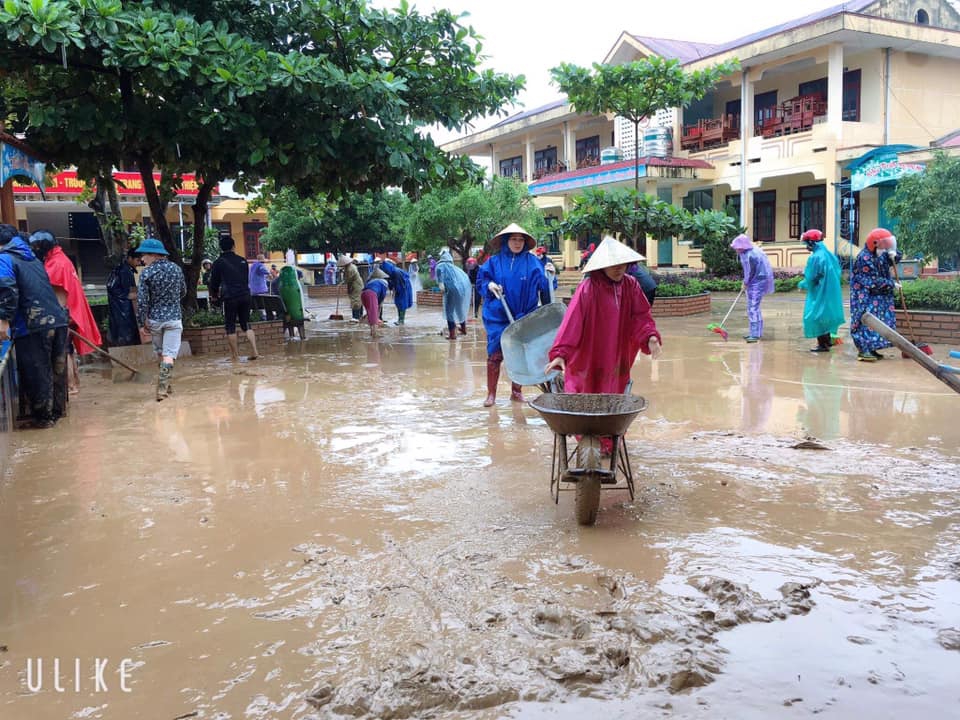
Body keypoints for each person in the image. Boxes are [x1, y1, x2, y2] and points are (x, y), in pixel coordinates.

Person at [545, 236, 661, 394]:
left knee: (612, 393)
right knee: (585, 392)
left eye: (621, 263)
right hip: (590, 351)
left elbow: (641, 316)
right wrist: (561, 353)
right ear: (602, 266)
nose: (618, 268)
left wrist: (650, 336)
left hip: (617, 352)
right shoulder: (588, 288)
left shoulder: (631, 285)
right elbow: (572, 323)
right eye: (612, 264)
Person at [0, 224, 69, 428]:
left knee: (36, 372)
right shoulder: (32, 258)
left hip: (33, 324)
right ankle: (57, 414)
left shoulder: (5, 258)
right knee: (56, 371)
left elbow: (6, 289)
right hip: (57, 320)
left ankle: (43, 421)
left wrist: (3, 320)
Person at [477, 223, 552, 406]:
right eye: (513, 239)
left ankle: (516, 392)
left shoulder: (533, 262)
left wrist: (551, 276)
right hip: (498, 315)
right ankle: (491, 394)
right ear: (506, 241)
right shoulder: (494, 262)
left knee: (520, 352)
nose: (517, 243)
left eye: (520, 240)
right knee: (495, 353)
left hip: (525, 315)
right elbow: (482, 279)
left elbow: (546, 290)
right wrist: (490, 285)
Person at [30, 231, 102, 393]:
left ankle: (70, 385)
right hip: (70, 312)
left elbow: (52, 293)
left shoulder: (56, 264)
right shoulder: (61, 260)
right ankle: (74, 381)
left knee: (64, 351)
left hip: (64, 314)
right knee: (68, 350)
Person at [137, 238, 187, 400]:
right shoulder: (176, 269)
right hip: (174, 318)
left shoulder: (146, 273)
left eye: (144, 255)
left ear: (153, 255)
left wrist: (141, 321)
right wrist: (172, 302)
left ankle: (165, 385)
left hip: (155, 320)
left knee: (160, 353)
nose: (142, 259)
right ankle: (163, 387)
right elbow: (183, 292)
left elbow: (142, 301)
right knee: (169, 354)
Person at [850, 227, 901, 362]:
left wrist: (894, 254)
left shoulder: (881, 253)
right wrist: (891, 284)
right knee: (867, 320)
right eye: (885, 244)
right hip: (866, 296)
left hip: (879, 295)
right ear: (876, 243)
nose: (887, 247)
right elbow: (871, 280)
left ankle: (872, 348)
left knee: (879, 320)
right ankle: (863, 350)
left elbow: (890, 261)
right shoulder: (864, 257)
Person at [209, 234, 259, 362]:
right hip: (245, 295)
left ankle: (235, 356)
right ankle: (254, 351)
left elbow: (214, 282)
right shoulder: (243, 260)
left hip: (230, 297)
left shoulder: (218, 263)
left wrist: (214, 296)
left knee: (230, 325)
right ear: (233, 246)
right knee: (246, 323)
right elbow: (245, 278)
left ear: (221, 248)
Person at [798, 229, 845, 353]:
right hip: (831, 291)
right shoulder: (829, 254)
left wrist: (802, 284)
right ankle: (828, 341)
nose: (806, 246)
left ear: (812, 242)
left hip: (820, 291)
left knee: (816, 316)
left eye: (806, 243)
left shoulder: (815, 257)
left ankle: (823, 345)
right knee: (826, 316)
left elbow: (811, 277)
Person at [730, 233, 774, 343]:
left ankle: (754, 335)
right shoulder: (751, 251)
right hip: (757, 281)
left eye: (737, 248)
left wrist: (745, 283)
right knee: (754, 307)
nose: (736, 250)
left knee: (753, 307)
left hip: (757, 282)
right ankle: (755, 333)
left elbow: (750, 271)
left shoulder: (750, 255)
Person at [106, 247, 142, 347]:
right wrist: (126, 295)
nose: (139, 263)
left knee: (128, 332)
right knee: (124, 332)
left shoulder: (126, 269)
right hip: (121, 308)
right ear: (130, 258)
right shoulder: (121, 270)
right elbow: (112, 288)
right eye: (137, 260)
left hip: (126, 307)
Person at [435, 248, 471, 340]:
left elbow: (440, 281)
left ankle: (452, 334)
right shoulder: (454, 268)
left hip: (451, 290)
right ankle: (463, 329)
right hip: (461, 290)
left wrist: (441, 286)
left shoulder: (440, 266)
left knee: (449, 312)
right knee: (459, 309)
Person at [380, 258, 413, 325]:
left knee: (401, 303)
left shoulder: (396, 272)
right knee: (398, 303)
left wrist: (396, 290)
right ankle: (399, 319)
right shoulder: (391, 272)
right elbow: (390, 281)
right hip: (401, 286)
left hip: (403, 287)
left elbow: (399, 283)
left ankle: (401, 320)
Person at [361, 270, 389, 337]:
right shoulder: (384, 283)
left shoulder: (371, 282)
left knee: (370, 313)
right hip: (371, 294)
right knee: (373, 314)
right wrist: (378, 312)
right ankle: (375, 333)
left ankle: (372, 331)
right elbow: (381, 299)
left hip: (363, 294)